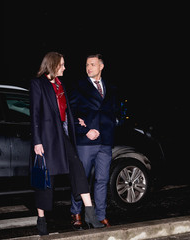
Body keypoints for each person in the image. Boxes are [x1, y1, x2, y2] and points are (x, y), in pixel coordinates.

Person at [30, 52, 104, 235]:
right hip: (46, 138)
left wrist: (75, 121)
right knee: (46, 178)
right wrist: (37, 142)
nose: (64, 67)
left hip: (62, 136)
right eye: (62, 64)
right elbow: (35, 115)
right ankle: (41, 219)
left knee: (77, 168)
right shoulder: (38, 84)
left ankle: (90, 214)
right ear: (53, 65)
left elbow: (64, 110)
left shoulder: (60, 84)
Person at [70, 54, 118, 228]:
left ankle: (101, 214)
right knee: (81, 178)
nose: (88, 67)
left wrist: (113, 125)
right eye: (87, 64)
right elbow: (71, 113)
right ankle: (76, 212)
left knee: (102, 179)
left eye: (92, 64)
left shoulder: (110, 87)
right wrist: (84, 130)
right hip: (86, 141)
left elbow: (113, 111)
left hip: (105, 140)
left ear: (101, 66)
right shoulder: (79, 86)